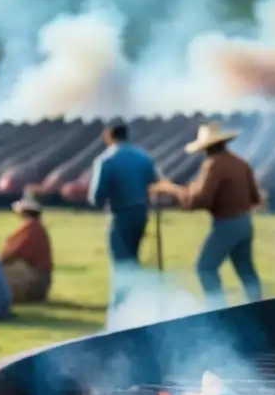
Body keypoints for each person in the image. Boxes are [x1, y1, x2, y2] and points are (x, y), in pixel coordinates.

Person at [152, 122, 263, 308]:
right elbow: (255, 197)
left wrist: (171, 189)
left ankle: (218, 309)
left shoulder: (213, 164)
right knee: (246, 270)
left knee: (205, 267)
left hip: (227, 224)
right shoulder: (241, 163)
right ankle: (260, 309)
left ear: (206, 147)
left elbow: (199, 200)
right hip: (245, 223)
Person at [88, 122, 159, 310]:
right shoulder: (143, 157)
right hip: (141, 214)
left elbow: (96, 197)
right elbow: (155, 183)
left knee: (120, 264)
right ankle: (138, 304)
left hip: (120, 215)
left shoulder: (106, 160)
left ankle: (120, 309)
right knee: (133, 261)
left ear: (108, 136)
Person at [0, 194, 54, 303]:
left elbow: (10, 254)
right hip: (41, 282)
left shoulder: (30, 228)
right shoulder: (37, 227)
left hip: (34, 281)